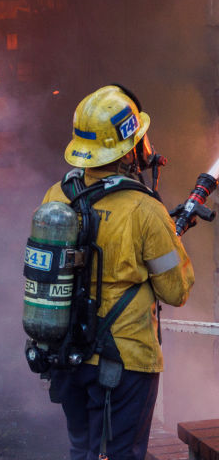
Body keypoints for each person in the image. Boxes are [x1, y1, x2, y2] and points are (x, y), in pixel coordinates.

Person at [41, 85, 193, 460]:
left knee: (82, 449)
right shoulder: (144, 210)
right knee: (120, 454)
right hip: (126, 362)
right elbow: (176, 291)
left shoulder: (57, 197)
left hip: (68, 355)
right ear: (129, 149)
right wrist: (169, 238)